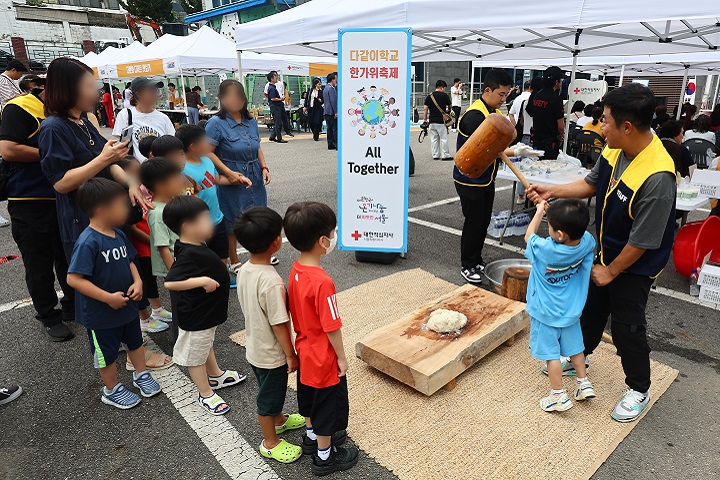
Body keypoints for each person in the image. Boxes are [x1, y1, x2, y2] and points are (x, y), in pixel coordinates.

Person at [527, 83, 677, 423]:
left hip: (634, 265)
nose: (599, 125)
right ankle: (580, 358)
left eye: (605, 120)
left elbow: (644, 241)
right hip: (606, 252)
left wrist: (611, 272)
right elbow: (590, 184)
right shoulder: (615, 148)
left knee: (627, 328)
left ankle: (639, 388)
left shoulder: (658, 177)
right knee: (589, 310)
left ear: (627, 126)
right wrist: (551, 190)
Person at [39, 57, 148, 262]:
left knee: (125, 276)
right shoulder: (53, 128)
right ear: (68, 89)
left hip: (110, 213)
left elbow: (108, 161)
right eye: (89, 86)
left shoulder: (83, 121)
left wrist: (130, 182)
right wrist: (104, 159)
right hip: (83, 219)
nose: (96, 93)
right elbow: (61, 183)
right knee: (100, 281)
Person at [66, 178, 162, 409]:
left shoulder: (117, 234)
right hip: (101, 314)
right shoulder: (88, 242)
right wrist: (107, 298)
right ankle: (111, 389)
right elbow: (74, 278)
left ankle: (141, 374)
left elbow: (130, 260)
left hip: (127, 306)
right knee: (106, 353)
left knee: (135, 342)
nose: (126, 210)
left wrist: (139, 282)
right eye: (121, 205)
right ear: (102, 210)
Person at [283, 202, 356, 476]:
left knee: (310, 399)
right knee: (328, 406)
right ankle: (325, 457)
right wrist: (341, 356)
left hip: (304, 350)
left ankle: (311, 438)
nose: (334, 236)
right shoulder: (323, 281)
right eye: (333, 232)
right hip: (323, 356)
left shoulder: (296, 270)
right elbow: (332, 326)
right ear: (323, 241)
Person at [0, 72, 74, 341]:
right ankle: (48, 315)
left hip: (64, 197)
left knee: (67, 256)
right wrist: (55, 154)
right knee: (38, 262)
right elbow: (8, 150)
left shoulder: (68, 113)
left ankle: (70, 305)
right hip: (29, 200)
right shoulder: (19, 107)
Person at [454, 69, 539, 284]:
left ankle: (476, 259)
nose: (504, 99)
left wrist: (517, 147)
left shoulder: (494, 112)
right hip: (469, 178)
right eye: (501, 95)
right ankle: (467, 264)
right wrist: (517, 151)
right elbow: (488, 149)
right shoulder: (475, 116)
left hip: (486, 177)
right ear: (487, 90)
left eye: (507, 95)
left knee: (483, 221)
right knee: (474, 222)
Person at [235, 206, 305, 463]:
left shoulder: (244, 269)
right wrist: (291, 354)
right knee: (269, 397)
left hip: (255, 347)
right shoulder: (272, 281)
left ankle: (279, 420)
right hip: (271, 354)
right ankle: (270, 440)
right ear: (276, 242)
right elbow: (279, 323)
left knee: (270, 390)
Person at [164, 195, 245, 415]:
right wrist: (202, 281)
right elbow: (170, 281)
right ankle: (205, 393)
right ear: (188, 227)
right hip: (195, 317)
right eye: (205, 219)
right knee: (195, 354)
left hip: (206, 314)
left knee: (204, 345)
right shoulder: (189, 253)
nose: (211, 223)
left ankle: (216, 375)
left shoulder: (195, 243)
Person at [524, 199, 597, 412]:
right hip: (571, 311)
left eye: (551, 226)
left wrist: (539, 212)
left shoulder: (545, 249)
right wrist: (557, 217)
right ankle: (583, 383)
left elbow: (528, 237)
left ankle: (558, 395)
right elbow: (578, 235)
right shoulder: (586, 242)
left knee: (551, 355)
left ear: (560, 234)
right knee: (575, 349)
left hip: (545, 313)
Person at [206, 79, 273, 274]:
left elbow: (257, 146)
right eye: (229, 96)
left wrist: (264, 167)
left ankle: (258, 253)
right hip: (232, 177)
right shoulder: (215, 124)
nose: (234, 100)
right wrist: (227, 173)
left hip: (255, 176)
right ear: (221, 99)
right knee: (233, 220)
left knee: (257, 216)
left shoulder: (250, 121)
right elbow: (208, 152)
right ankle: (233, 259)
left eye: (238, 96)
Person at [117, 157, 173, 336]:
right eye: (134, 173)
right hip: (144, 246)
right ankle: (146, 317)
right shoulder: (128, 195)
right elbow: (132, 227)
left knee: (151, 279)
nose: (137, 177)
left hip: (152, 243)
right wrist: (152, 239)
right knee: (146, 280)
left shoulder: (143, 191)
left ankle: (156, 309)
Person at [175, 124, 235, 287]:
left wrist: (235, 179)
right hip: (200, 224)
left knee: (222, 254)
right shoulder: (183, 169)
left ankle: (222, 280)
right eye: (204, 140)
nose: (208, 143)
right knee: (203, 257)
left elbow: (215, 179)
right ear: (193, 146)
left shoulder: (208, 160)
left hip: (217, 218)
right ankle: (207, 282)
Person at [140, 158, 184, 280]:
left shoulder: (170, 203)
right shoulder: (157, 213)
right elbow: (163, 247)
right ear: (160, 185)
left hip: (183, 262)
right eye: (175, 178)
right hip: (176, 268)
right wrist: (176, 275)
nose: (181, 181)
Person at [113, 77, 175, 163]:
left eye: (155, 90)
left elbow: (172, 145)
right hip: (139, 170)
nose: (154, 93)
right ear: (138, 93)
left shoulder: (163, 118)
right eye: (151, 90)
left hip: (162, 168)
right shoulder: (126, 115)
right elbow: (124, 145)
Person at [526, 66, 565, 160]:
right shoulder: (556, 99)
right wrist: (561, 136)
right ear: (556, 82)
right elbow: (560, 125)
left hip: (536, 138)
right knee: (549, 167)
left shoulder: (537, 95)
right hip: (550, 140)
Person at [423, 79, 452, 160]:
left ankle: (435, 155)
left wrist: (425, 119)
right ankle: (445, 155)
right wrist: (447, 112)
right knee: (444, 138)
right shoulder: (444, 96)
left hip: (432, 121)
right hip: (441, 121)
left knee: (434, 139)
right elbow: (450, 106)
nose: (445, 90)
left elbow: (425, 109)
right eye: (445, 88)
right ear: (442, 87)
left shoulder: (429, 96)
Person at [266, 72, 287, 144]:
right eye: (275, 76)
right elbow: (272, 98)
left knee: (277, 122)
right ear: (272, 78)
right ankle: (279, 138)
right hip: (275, 106)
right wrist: (280, 99)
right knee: (278, 122)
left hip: (276, 105)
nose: (277, 77)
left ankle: (272, 136)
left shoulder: (272, 87)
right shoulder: (271, 88)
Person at [323, 73, 338, 150]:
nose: (336, 81)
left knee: (329, 129)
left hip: (326, 111)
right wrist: (336, 111)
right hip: (331, 112)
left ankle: (330, 144)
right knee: (335, 129)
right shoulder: (331, 89)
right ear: (332, 80)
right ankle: (336, 144)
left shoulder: (325, 88)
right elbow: (333, 101)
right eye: (336, 79)